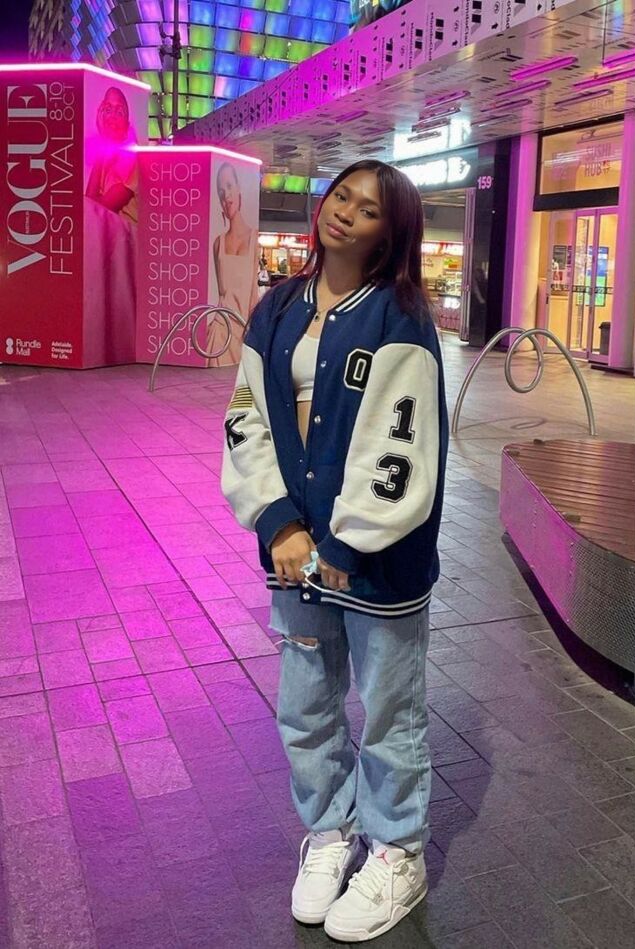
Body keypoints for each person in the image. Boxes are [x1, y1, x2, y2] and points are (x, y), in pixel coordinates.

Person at [220, 160, 448, 942]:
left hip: (378, 562)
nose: (346, 211)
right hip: (297, 554)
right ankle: (329, 830)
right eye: (342, 195)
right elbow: (246, 418)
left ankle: (397, 850)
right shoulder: (278, 307)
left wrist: (350, 536)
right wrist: (277, 522)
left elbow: (402, 442)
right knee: (307, 704)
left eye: (370, 208)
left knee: (389, 710)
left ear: (392, 232)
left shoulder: (399, 315)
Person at [206, 162, 259, 367]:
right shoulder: (218, 243)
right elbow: (221, 291)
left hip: (243, 327)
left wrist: (253, 329)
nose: (226, 196)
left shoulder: (254, 239)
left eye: (229, 186)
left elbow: (253, 291)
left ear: (238, 189)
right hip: (221, 328)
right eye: (221, 191)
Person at [85, 87, 138, 224]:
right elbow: (89, 204)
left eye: (119, 112)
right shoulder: (106, 156)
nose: (113, 116)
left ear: (127, 124)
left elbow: (95, 210)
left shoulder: (132, 157)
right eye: (108, 110)